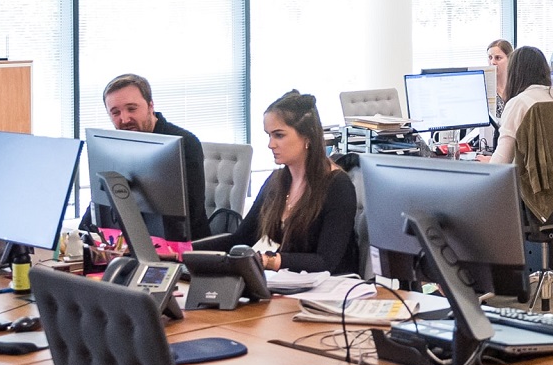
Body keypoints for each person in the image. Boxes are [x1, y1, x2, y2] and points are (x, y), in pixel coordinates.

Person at [195, 91, 360, 274]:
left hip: (328, 291)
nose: (270, 144)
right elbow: (240, 239)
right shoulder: (277, 181)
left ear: (308, 137)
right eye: (269, 135)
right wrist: (181, 251)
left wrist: (267, 261)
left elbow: (325, 261)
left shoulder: (338, 186)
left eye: (279, 135)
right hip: (284, 285)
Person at [88, 74, 210, 242]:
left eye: (132, 109)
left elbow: (191, 213)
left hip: (184, 250)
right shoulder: (115, 146)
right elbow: (102, 200)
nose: (124, 119)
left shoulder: (184, 143)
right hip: (132, 243)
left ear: (150, 106)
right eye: (115, 112)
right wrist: (83, 237)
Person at [488, 46, 553, 165]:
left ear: (514, 73)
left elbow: (500, 162)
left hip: (531, 181)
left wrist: (486, 164)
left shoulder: (519, 104)